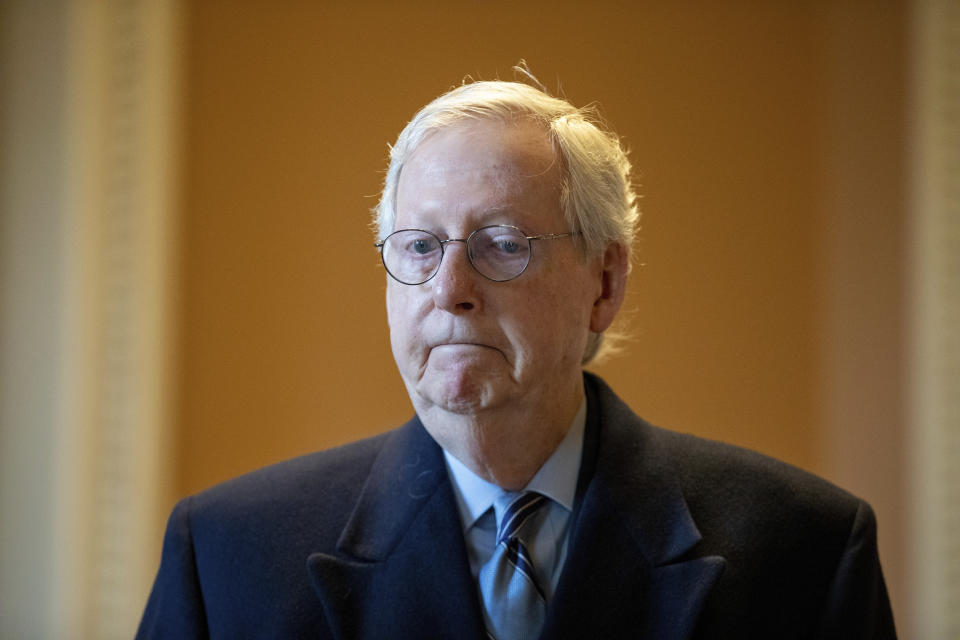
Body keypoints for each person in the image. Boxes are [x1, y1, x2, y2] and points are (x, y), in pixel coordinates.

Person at [137, 73, 896, 639]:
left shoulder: (806, 551)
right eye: (420, 246)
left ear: (604, 283)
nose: (450, 289)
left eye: (502, 244)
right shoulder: (228, 555)